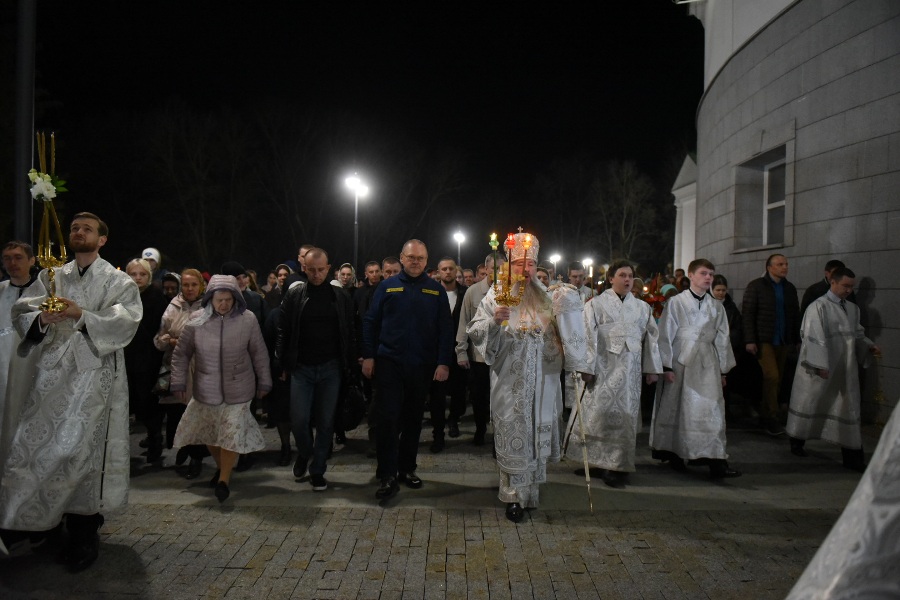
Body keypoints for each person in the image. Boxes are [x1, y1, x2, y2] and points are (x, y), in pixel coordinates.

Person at [0, 212, 142, 570]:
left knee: (81, 451)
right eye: (75, 228)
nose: (79, 232)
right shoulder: (52, 275)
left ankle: (83, 532)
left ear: (102, 239)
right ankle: (35, 522)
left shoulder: (118, 280)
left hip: (94, 374)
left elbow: (127, 320)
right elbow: (22, 311)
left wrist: (82, 315)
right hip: (50, 375)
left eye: (87, 229)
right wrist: (41, 319)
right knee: (36, 445)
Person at [468, 231, 589, 522]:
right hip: (510, 382)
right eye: (519, 264)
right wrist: (494, 321)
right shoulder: (497, 293)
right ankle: (512, 496)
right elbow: (476, 330)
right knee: (515, 435)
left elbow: (568, 335)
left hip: (544, 381)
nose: (525, 270)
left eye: (531, 264)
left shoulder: (550, 296)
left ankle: (531, 492)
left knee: (536, 435)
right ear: (509, 265)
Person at [362, 240, 453, 501]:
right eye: (411, 257)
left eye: (420, 258)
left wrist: (443, 362)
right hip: (389, 363)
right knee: (388, 419)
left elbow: (445, 329)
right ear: (402, 258)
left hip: (421, 365)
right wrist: (369, 355)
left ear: (427, 261)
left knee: (414, 419)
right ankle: (387, 474)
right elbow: (370, 322)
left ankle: (406, 468)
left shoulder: (436, 290)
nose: (415, 262)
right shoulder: (387, 286)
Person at [170, 275, 271, 503]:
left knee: (230, 434)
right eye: (219, 300)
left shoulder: (248, 319)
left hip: (239, 387)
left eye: (228, 299)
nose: (224, 304)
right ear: (210, 299)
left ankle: (224, 480)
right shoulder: (196, 320)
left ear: (236, 298)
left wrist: (265, 380)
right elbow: (182, 354)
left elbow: (259, 352)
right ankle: (222, 468)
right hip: (206, 388)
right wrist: (178, 382)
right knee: (211, 433)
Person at [566, 260, 662, 489]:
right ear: (611, 278)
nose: (627, 279)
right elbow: (587, 335)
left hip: (630, 374)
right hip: (602, 369)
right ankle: (598, 462)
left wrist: (652, 368)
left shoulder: (642, 308)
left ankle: (617, 466)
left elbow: (652, 339)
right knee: (598, 417)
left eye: (630, 275)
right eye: (622, 275)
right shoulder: (595, 304)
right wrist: (586, 367)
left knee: (623, 418)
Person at [650, 258, 740, 479]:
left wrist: (723, 370)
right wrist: (666, 365)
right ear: (691, 275)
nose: (708, 277)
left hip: (707, 363)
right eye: (703, 273)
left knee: (712, 409)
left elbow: (722, 338)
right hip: (681, 361)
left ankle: (716, 460)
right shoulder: (676, 302)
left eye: (711, 274)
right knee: (679, 408)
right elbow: (666, 334)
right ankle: (675, 453)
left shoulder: (716, 306)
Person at [276, 249, 358, 491]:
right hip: (301, 367)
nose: (316, 274)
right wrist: (282, 362)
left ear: (328, 268)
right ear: (304, 268)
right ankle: (304, 452)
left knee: (325, 422)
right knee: (299, 420)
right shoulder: (295, 294)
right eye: (311, 270)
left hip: (331, 367)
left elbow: (350, 331)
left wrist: (350, 365)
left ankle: (318, 469)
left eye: (321, 269)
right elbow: (283, 329)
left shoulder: (340, 296)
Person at [785, 268, 878, 471]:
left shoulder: (853, 308)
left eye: (851, 286)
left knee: (847, 407)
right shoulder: (818, 307)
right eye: (845, 286)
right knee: (811, 401)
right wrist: (819, 365)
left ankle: (853, 457)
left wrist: (868, 346)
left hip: (845, 368)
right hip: (823, 367)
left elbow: (857, 334)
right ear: (833, 282)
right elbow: (813, 337)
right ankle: (797, 439)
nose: (849, 290)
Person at [153, 268, 206, 477]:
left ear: (201, 285)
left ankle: (196, 457)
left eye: (194, 284)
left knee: (198, 414)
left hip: (202, 369)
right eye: (186, 285)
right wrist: (172, 341)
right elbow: (159, 339)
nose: (190, 289)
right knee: (178, 414)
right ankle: (184, 446)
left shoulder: (209, 306)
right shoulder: (173, 307)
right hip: (176, 368)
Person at [742, 254, 801, 435]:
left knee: (778, 378)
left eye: (786, 264)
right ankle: (771, 416)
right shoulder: (756, 286)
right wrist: (750, 340)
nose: (785, 267)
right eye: (780, 264)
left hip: (783, 339)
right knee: (772, 376)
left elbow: (794, 314)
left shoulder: (789, 288)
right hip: (764, 339)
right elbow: (748, 313)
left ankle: (765, 413)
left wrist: (796, 339)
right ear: (769, 267)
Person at [456, 252, 506, 447]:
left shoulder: (512, 291)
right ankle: (480, 429)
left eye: (503, 269)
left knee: (500, 398)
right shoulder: (474, 291)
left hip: (503, 356)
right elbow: (464, 322)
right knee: (479, 396)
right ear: (486, 269)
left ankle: (498, 435)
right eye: (494, 268)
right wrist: (461, 351)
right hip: (479, 356)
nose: (499, 273)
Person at [123, 258, 168, 463]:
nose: (138, 278)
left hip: (149, 356)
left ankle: (155, 440)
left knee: (149, 400)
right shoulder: (123, 295)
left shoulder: (156, 296)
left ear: (149, 276)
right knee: (133, 398)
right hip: (128, 354)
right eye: (133, 274)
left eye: (142, 274)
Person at [428, 257, 467, 452]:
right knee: (437, 394)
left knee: (459, 391)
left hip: (459, 349)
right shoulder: (431, 292)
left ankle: (454, 420)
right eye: (444, 269)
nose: (448, 272)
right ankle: (438, 434)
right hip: (436, 351)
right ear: (438, 272)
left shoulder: (465, 293)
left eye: (451, 268)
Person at [0, 241, 37, 430]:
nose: (12, 263)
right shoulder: (1, 290)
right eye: (7, 258)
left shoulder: (42, 292)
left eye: (18, 257)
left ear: (32, 260)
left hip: (33, 363)